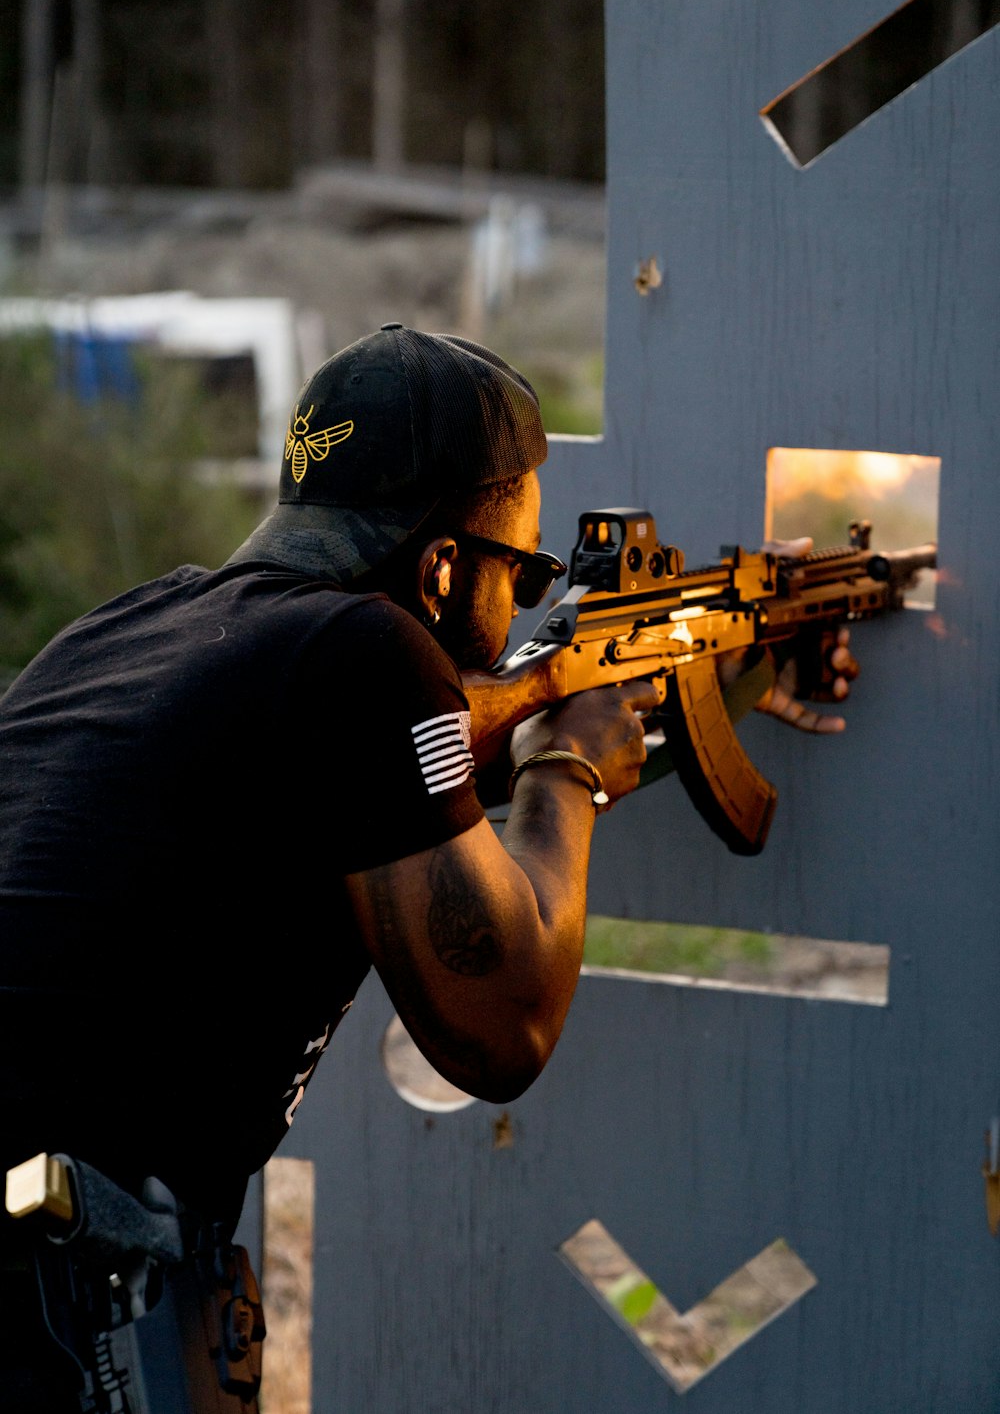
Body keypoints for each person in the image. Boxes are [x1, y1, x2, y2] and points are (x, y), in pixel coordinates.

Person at [0, 324, 854, 1409]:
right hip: (53, 1297)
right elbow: (503, 1029)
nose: (522, 616)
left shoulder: (134, 625)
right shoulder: (365, 652)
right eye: (526, 573)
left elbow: (399, 796)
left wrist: (705, 681)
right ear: (443, 566)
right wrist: (569, 775)